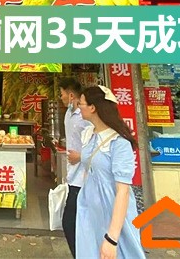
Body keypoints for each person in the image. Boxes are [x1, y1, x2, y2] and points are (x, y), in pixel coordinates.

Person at [76, 86, 145, 259]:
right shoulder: (89, 134)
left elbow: (123, 191)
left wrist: (112, 238)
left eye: (81, 103)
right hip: (90, 211)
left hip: (112, 211)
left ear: (92, 107)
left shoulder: (119, 142)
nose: (78, 107)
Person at [58, 77, 91, 258]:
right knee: (74, 223)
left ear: (71, 95)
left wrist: (81, 156)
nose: (60, 97)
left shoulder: (87, 116)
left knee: (69, 222)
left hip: (85, 178)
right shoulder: (68, 114)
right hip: (73, 176)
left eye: (62, 94)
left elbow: (98, 142)